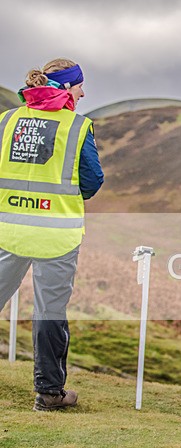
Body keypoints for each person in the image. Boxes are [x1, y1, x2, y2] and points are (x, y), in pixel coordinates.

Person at [0, 58, 104, 411]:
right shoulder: (76, 126)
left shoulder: (7, 120)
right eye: (80, 86)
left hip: (8, 230)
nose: (83, 93)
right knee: (50, 312)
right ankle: (48, 393)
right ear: (67, 87)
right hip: (55, 236)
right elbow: (92, 181)